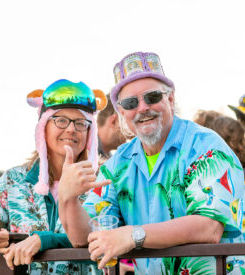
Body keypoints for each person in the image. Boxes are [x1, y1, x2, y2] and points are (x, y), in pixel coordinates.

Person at [58, 52, 245, 274]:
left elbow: (209, 226)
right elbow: (86, 236)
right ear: (121, 112)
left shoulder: (204, 146)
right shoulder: (118, 164)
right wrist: (67, 197)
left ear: (171, 99)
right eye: (130, 102)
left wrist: (133, 235)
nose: (143, 108)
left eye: (153, 97)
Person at [0, 79, 109, 275]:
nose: (71, 129)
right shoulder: (13, 181)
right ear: (43, 128)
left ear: (90, 132)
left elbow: (105, 234)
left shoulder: (104, 179)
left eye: (81, 123)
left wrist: (43, 240)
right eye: (60, 120)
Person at [97, 93, 127, 159]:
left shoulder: (110, 160)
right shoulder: (83, 152)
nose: (131, 131)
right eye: (127, 124)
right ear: (114, 121)